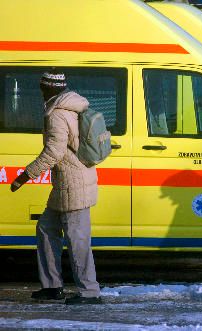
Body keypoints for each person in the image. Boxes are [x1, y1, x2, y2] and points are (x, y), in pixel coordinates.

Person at [10, 70, 102, 305]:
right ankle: (52, 286)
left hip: (73, 185)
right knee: (46, 229)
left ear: (50, 88)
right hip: (66, 185)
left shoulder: (57, 115)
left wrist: (25, 175)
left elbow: (54, 152)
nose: (40, 90)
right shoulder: (69, 107)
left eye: (42, 86)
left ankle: (89, 292)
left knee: (77, 239)